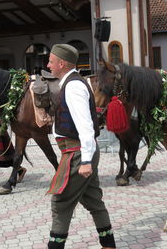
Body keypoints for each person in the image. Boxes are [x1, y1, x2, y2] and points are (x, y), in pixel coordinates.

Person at [46, 44, 116, 249]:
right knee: (94, 201)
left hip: (77, 153)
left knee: (60, 202)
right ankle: (109, 245)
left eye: (50, 61)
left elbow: (85, 125)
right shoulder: (73, 83)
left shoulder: (74, 86)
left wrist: (85, 161)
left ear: (61, 63)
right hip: (78, 151)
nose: (48, 65)